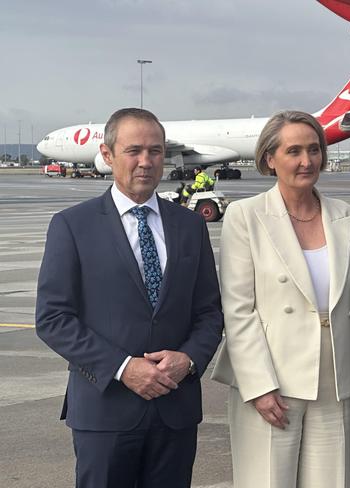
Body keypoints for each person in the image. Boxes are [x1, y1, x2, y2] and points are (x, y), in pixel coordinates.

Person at [35, 107, 224, 488]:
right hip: (105, 410)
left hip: (176, 409)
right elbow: (53, 318)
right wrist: (123, 367)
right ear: (107, 155)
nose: (146, 162)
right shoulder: (72, 225)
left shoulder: (189, 225)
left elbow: (209, 312)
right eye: (133, 150)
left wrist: (188, 359)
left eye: (155, 151)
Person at [211, 110, 350, 488]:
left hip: (336, 381)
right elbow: (238, 310)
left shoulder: (345, 216)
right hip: (272, 383)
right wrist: (259, 385)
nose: (307, 161)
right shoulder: (245, 216)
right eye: (294, 151)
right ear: (270, 158)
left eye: (314, 150)